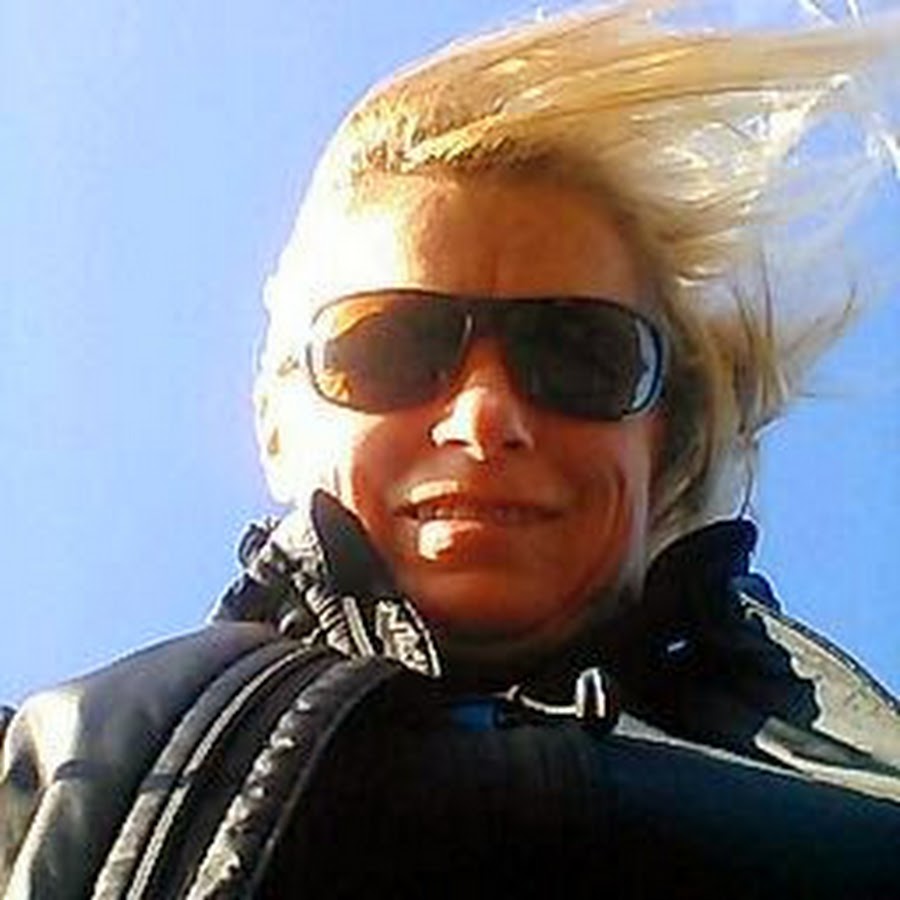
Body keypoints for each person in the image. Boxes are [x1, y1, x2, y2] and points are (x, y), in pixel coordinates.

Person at [2, 2, 899, 897]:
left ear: (660, 439)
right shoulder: (54, 790)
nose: (484, 417)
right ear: (276, 422)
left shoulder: (856, 791)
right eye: (387, 347)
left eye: (581, 356)